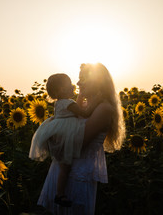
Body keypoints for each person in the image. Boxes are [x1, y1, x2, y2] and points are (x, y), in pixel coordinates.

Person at [37, 63, 126, 214]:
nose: (77, 83)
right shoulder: (83, 105)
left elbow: (79, 142)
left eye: (82, 79)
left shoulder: (103, 108)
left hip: (77, 176)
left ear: (97, 81)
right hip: (63, 172)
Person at [29, 73, 101, 207]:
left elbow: (76, 108)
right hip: (67, 134)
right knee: (65, 167)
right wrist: (96, 102)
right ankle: (60, 194)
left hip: (61, 132)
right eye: (69, 85)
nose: (72, 86)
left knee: (63, 166)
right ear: (60, 90)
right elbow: (84, 113)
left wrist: (80, 96)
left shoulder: (61, 103)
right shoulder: (68, 103)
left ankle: (59, 194)